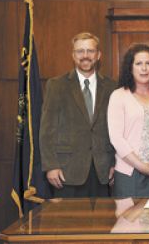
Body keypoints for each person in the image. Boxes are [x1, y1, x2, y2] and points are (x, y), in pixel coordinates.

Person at [40, 32, 117, 197]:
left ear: (98, 55)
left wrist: (114, 163)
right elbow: (47, 130)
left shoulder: (112, 87)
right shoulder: (56, 85)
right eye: (80, 51)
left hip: (103, 171)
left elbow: (116, 129)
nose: (85, 56)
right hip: (66, 171)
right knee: (69, 221)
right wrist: (51, 166)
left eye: (90, 51)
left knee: (102, 222)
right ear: (73, 55)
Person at [107, 44, 149, 197]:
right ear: (130, 67)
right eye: (139, 63)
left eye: (148, 63)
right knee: (130, 220)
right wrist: (142, 167)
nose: (144, 68)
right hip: (130, 173)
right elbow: (117, 139)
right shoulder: (119, 95)